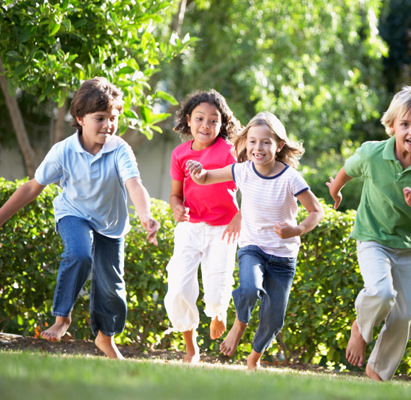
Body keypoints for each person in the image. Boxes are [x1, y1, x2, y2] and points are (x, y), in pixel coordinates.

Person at [0, 77, 160, 359]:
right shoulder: (63, 151)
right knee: (79, 254)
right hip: (74, 214)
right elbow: (31, 188)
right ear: (79, 118)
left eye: (113, 118)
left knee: (112, 288)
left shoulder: (120, 149)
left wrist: (145, 215)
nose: (109, 125)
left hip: (110, 225)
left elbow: (134, 184)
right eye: (100, 118)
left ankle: (104, 338)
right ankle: (62, 318)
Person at [187, 111, 324, 370]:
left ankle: (253, 359)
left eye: (265, 142)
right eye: (252, 141)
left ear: (279, 145)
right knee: (249, 288)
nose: (257, 148)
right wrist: (197, 171)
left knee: (274, 319)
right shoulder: (243, 171)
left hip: (283, 256)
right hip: (253, 247)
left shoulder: (290, 177)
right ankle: (240, 324)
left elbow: (316, 211)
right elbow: (205, 177)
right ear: (245, 143)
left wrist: (296, 230)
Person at [326, 86, 411, 381]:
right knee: (381, 292)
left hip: (407, 247)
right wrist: (335, 190)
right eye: (405, 124)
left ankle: (377, 375)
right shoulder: (372, 153)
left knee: (405, 318)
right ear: (392, 126)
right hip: (372, 239)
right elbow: (347, 170)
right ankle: (360, 329)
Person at [164, 90, 242, 364]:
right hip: (191, 227)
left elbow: (254, 185)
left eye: (213, 121)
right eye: (199, 119)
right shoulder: (179, 154)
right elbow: (175, 194)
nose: (205, 126)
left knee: (217, 283)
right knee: (178, 287)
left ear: (223, 124)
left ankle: (218, 312)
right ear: (189, 119)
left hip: (223, 228)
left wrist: (239, 216)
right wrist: (176, 206)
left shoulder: (230, 151)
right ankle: (190, 347)